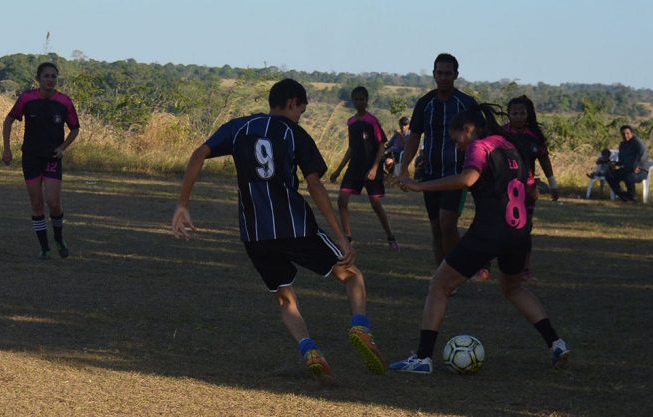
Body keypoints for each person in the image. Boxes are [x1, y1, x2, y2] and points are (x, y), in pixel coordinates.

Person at [171, 79, 386, 378]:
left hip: (255, 235)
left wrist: (182, 205)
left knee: (284, 297)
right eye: (301, 111)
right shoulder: (294, 133)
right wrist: (341, 237)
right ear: (292, 103)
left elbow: (198, 154)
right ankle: (360, 327)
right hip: (295, 227)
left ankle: (309, 350)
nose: (300, 117)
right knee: (351, 274)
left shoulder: (239, 127)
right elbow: (315, 186)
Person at [389, 104, 570, 374]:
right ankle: (556, 343)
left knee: (439, 285)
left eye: (457, 140)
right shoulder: (510, 146)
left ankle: (422, 359)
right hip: (519, 232)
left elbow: (467, 179)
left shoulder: (480, 146)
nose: (458, 147)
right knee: (513, 288)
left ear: (468, 129)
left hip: (490, 232)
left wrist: (419, 185)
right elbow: (532, 191)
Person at [399, 53, 478, 268]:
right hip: (430, 174)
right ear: (434, 74)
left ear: (456, 75)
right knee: (436, 228)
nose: (443, 77)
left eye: (448, 73)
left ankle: (455, 271)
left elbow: (480, 138)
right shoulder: (425, 103)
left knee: (447, 223)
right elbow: (414, 137)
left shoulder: (467, 103)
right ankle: (441, 275)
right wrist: (404, 168)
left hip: (457, 174)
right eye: (440, 73)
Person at [2, 62, 80, 259]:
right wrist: (7, 149)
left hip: (52, 158)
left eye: (54, 76)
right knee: (37, 204)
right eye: (46, 76)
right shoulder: (27, 98)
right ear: (38, 78)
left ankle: (59, 238)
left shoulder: (64, 101)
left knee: (53, 203)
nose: (50, 80)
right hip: (31, 157)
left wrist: (62, 148)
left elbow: (75, 128)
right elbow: (9, 120)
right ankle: (44, 248)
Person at [329, 86, 399, 251]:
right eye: (356, 99)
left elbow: (381, 146)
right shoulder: (351, 122)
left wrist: (374, 168)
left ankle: (390, 236)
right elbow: (351, 148)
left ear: (367, 101)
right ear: (352, 101)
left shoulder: (372, 121)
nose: (359, 102)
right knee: (342, 200)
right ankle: (348, 238)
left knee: (375, 204)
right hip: (355, 166)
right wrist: (338, 170)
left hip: (370, 166)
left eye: (362, 99)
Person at [506, 95, 559, 280]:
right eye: (514, 113)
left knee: (525, 228)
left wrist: (553, 185)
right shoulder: (500, 134)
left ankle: (524, 268)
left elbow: (544, 160)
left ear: (528, 114)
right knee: (498, 227)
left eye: (522, 113)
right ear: (508, 114)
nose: (518, 117)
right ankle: (486, 265)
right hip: (503, 188)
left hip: (527, 189)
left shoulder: (534, 137)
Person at [605, 125, 649, 202]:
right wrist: (614, 164)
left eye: (627, 133)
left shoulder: (637, 142)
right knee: (609, 175)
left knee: (629, 176)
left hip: (640, 171)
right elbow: (621, 161)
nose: (625, 135)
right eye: (623, 134)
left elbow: (643, 154)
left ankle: (632, 196)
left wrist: (638, 166)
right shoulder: (622, 145)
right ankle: (624, 196)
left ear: (632, 133)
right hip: (627, 170)